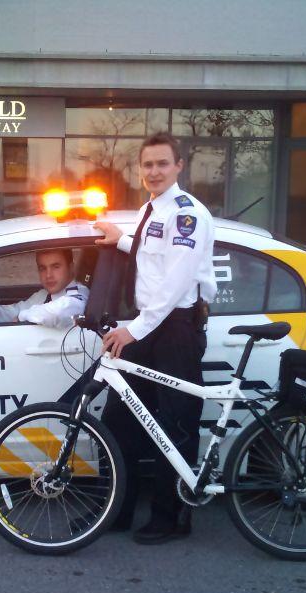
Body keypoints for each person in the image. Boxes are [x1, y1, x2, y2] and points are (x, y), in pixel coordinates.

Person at [93, 133, 217, 545]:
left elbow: (175, 283)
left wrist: (133, 330)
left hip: (175, 328)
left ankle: (172, 517)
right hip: (150, 324)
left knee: (176, 423)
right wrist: (121, 239)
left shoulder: (187, 214)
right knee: (119, 419)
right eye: (147, 164)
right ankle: (118, 509)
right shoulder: (151, 209)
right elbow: (153, 257)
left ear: (179, 166)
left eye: (163, 163)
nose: (154, 171)